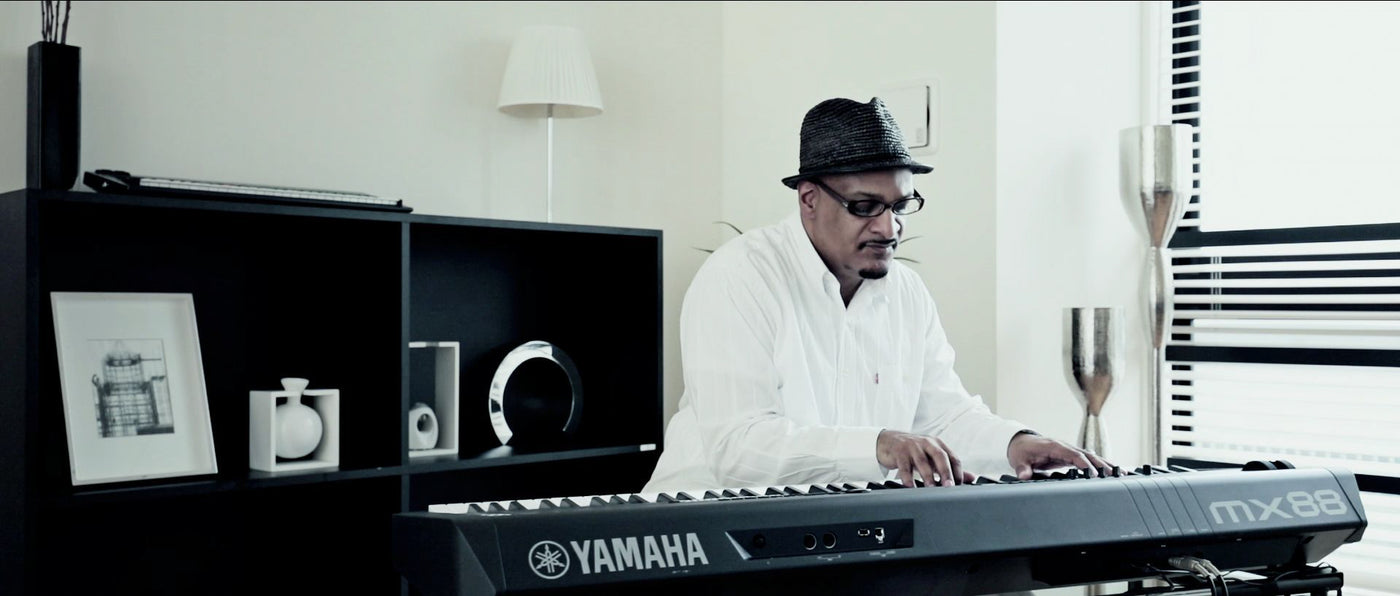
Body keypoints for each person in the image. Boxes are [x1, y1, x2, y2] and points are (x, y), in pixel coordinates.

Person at [643, 97, 1110, 493]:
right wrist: (879, 445)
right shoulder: (740, 275)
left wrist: (1016, 444)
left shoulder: (907, 293)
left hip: (835, 531)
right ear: (808, 199)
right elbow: (740, 450)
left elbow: (943, 417)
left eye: (901, 206)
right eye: (865, 206)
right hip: (697, 531)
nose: (889, 228)